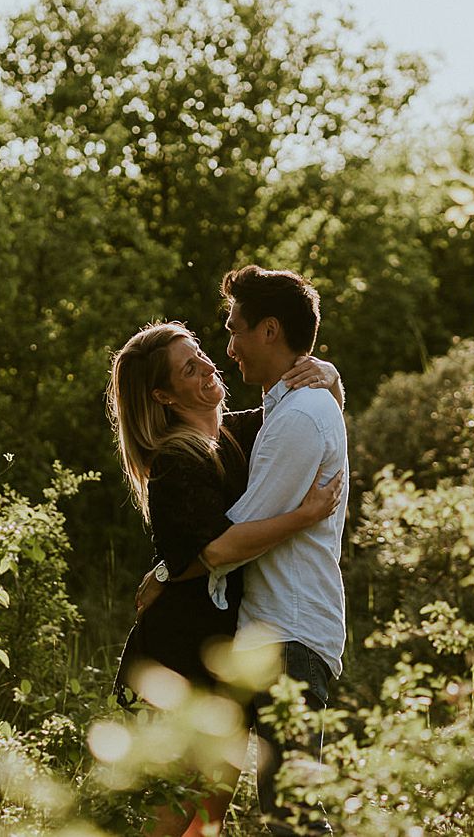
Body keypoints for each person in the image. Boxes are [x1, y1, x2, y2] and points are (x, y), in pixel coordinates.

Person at [107, 320, 344, 837]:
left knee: (208, 810)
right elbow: (212, 549)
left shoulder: (234, 434)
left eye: (202, 355)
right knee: (178, 807)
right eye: (190, 369)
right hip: (184, 652)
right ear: (164, 396)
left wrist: (328, 374)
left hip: (225, 646)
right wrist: (304, 517)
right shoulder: (176, 459)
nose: (210, 367)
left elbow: (307, 421)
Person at [213, 265, 349, 837]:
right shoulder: (292, 408)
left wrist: (169, 567)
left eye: (236, 327)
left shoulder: (299, 418)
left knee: (290, 813)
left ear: (269, 330)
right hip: (273, 633)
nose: (230, 345)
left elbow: (237, 536)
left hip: (288, 636)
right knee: (246, 801)